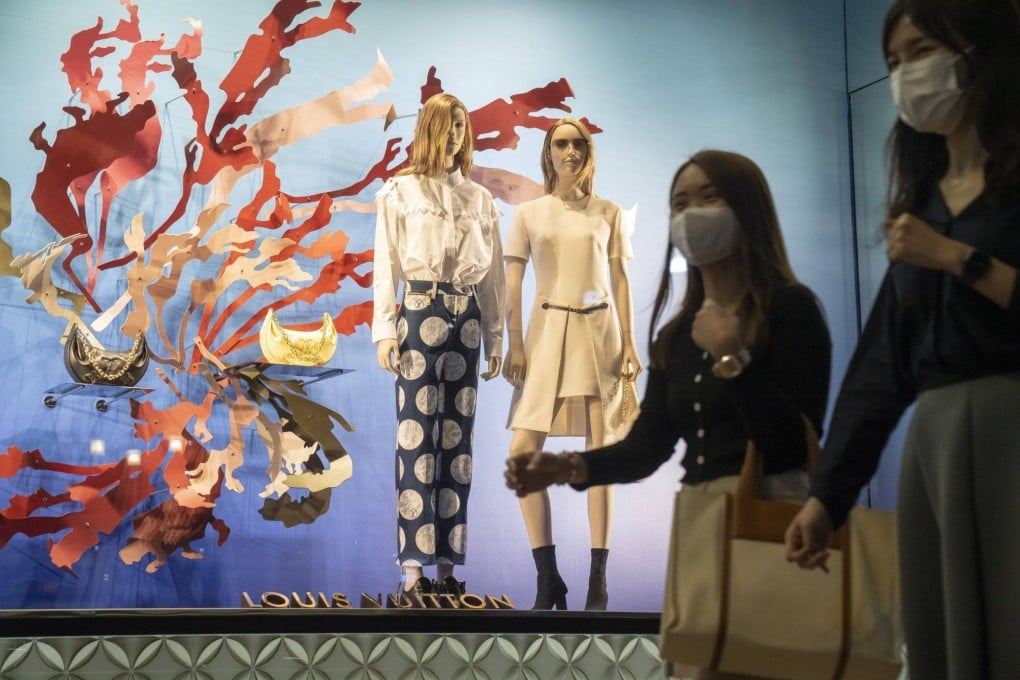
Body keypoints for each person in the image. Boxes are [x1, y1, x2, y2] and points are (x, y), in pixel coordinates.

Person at [507, 149, 831, 678]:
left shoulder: (791, 309)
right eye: (679, 204)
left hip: (776, 520)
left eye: (709, 198)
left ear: (747, 208)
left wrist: (734, 360)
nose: (692, 214)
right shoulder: (677, 336)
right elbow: (649, 445)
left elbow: (797, 439)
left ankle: (598, 576)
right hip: (700, 523)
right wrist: (569, 469)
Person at [785, 2, 1020, 678]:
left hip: (1012, 429)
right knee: (945, 640)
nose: (906, 73)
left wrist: (955, 258)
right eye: (893, 62)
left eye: (920, 51)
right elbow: (881, 368)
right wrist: (828, 496)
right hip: (936, 442)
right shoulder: (920, 206)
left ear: (975, 49)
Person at [501, 118, 641, 611]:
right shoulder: (529, 214)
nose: (569, 151)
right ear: (548, 151)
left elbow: (621, 279)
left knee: (600, 454)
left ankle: (598, 580)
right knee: (523, 454)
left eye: (577, 143)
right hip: (544, 337)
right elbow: (512, 284)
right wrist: (513, 342)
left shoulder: (610, 212)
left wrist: (629, 342)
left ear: (587, 151)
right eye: (560, 143)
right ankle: (548, 576)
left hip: (599, 335)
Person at [373, 92, 505, 597]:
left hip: (466, 316)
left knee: (458, 443)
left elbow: (493, 278)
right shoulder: (400, 193)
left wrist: (496, 337)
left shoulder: (480, 199)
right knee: (416, 439)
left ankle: (448, 569)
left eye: (461, 127)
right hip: (420, 310)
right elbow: (386, 265)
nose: (456, 136)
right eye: (448, 126)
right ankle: (412, 571)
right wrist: (385, 330)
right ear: (429, 129)